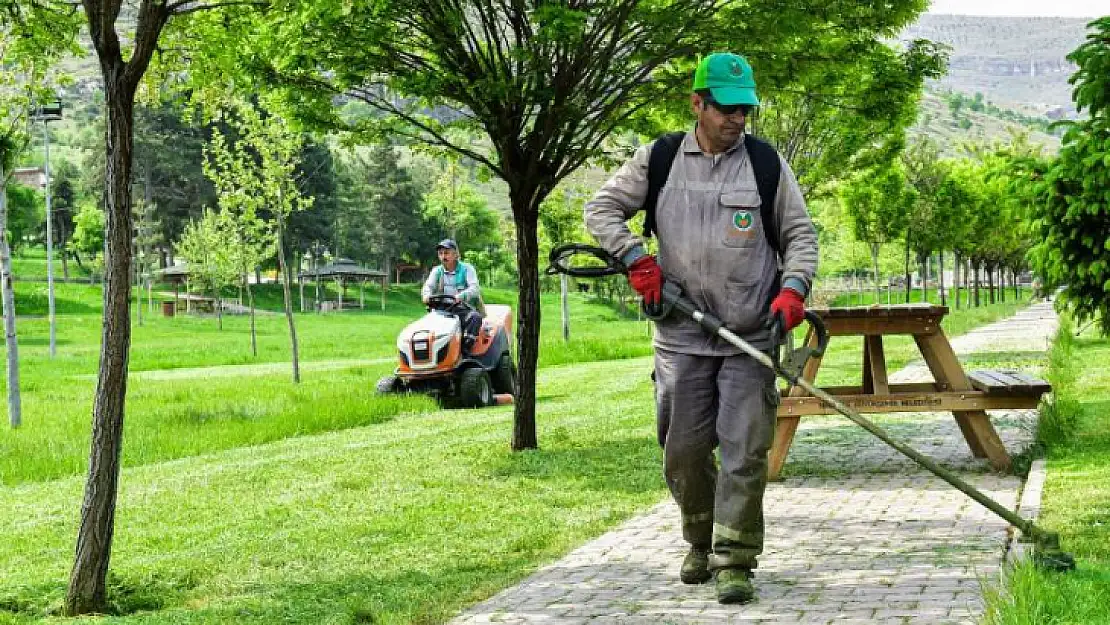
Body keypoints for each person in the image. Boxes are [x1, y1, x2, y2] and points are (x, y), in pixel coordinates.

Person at [583, 52, 818, 604]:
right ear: (698, 104)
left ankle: (734, 557)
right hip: (682, 337)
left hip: (748, 336)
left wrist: (793, 290)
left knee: (744, 451)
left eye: (745, 110)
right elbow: (601, 210)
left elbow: (801, 236)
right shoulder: (661, 158)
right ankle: (699, 539)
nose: (738, 119)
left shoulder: (764, 163)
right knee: (683, 452)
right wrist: (638, 262)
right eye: (727, 109)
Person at [422, 238, 484, 350]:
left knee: (475, 318)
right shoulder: (437, 271)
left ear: (455, 254)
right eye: (440, 253)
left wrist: (460, 296)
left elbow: (475, 289)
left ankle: (466, 348)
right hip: (442, 309)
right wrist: (426, 295)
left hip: (463, 308)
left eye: (446, 253)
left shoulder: (467, 269)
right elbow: (428, 286)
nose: (443, 256)